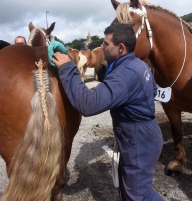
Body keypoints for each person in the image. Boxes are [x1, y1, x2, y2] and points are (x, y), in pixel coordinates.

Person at [51, 23, 164, 201]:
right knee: (129, 191)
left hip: (138, 140)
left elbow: (88, 104)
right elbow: (154, 91)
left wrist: (68, 68)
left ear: (120, 48)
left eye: (105, 44)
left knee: (139, 196)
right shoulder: (138, 64)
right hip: (143, 136)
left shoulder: (125, 74)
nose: (101, 47)